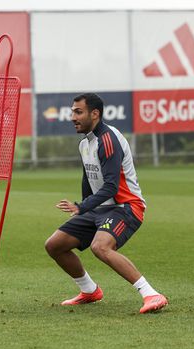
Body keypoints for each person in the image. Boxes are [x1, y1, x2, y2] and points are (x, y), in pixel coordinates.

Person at [44, 93, 168, 314]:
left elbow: (111, 187)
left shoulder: (108, 140)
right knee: (54, 245)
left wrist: (82, 207)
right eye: (72, 112)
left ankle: (151, 294)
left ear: (95, 114)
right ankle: (90, 291)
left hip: (126, 207)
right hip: (98, 208)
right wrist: (82, 209)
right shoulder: (85, 144)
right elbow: (88, 179)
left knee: (100, 247)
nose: (73, 117)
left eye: (78, 112)